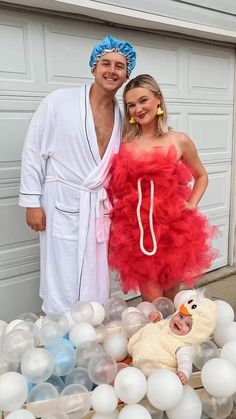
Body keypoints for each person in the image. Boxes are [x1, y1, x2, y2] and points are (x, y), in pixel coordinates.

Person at [19, 35, 137, 315]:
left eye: (119, 66)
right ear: (93, 68)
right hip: (62, 203)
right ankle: (59, 331)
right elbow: (34, 150)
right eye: (105, 63)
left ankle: (92, 326)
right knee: (61, 271)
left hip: (98, 207)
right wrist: (32, 202)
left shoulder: (123, 116)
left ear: (126, 74)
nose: (112, 70)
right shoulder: (60, 101)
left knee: (96, 275)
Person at [108, 74, 217, 303]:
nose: (137, 109)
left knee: (171, 298)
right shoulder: (124, 145)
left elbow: (201, 175)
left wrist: (191, 203)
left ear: (158, 100)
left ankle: (173, 338)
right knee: (154, 301)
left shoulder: (179, 140)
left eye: (143, 100)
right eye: (131, 105)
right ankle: (155, 336)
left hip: (172, 230)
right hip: (138, 232)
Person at [127, 292, 217, 382]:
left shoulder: (182, 346)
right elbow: (162, 325)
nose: (180, 322)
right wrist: (157, 316)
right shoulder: (168, 324)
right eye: (181, 316)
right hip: (137, 352)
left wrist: (184, 373)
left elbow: (185, 362)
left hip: (154, 369)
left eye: (188, 324)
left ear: (196, 334)